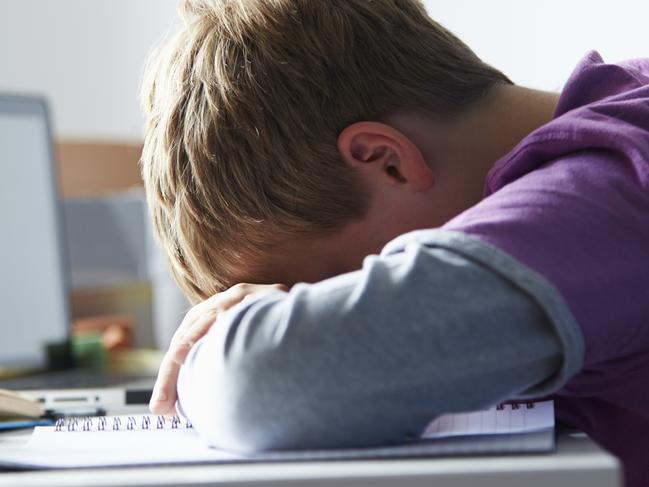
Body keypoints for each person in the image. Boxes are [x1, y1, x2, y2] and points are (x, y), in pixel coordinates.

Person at [139, 1, 649, 485]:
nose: (329, 312)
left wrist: (205, 352)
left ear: (386, 160)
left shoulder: (610, 192)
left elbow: (261, 385)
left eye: (331, 290)